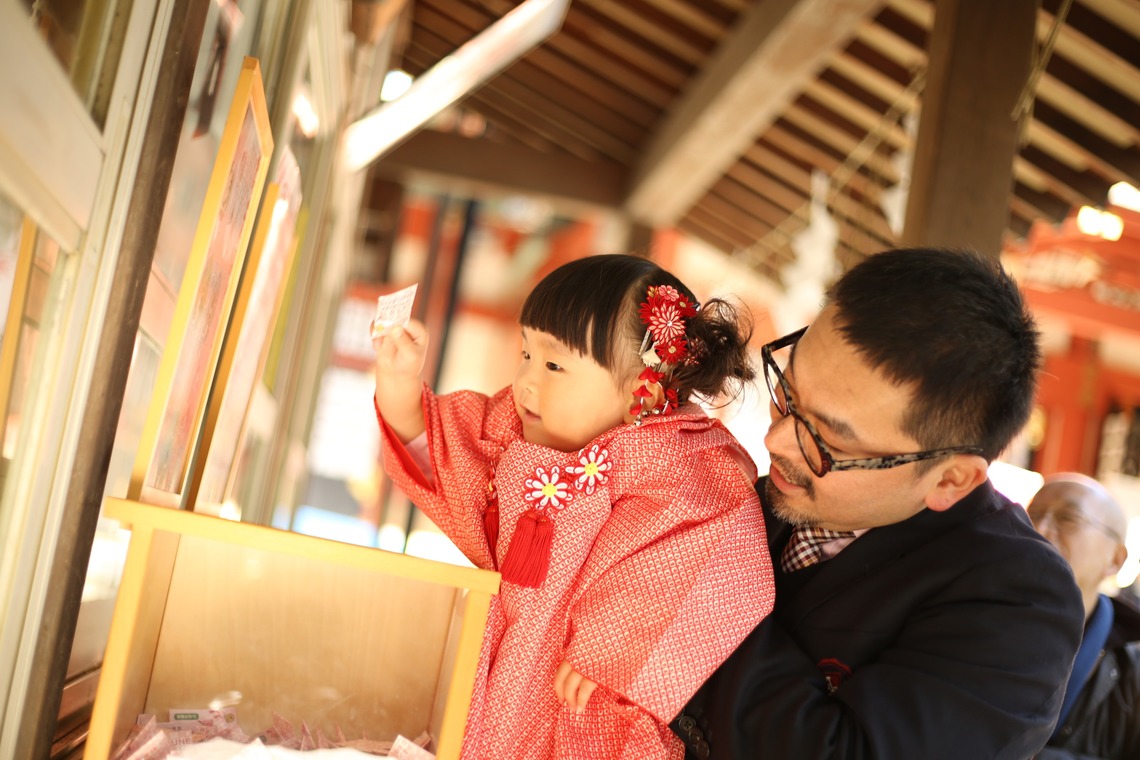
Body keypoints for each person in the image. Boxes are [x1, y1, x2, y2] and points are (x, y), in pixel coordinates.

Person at [673, 247, 1086, 759]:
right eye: (789, 393)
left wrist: (685, 589)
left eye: (830, 441)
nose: (777, 441)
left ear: (951, 479)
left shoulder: (1017, 601)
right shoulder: (748, 497)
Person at [372, 254, 775, 759]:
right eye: (525, 354)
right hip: (501, 664)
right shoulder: (511, 432)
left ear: (640, 389)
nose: (526, 381)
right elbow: (441, 448)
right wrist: (401, 386)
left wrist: (611, 647)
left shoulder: (686, 464)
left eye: (554, 364)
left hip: (585, 699)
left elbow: (716, 563)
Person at [1028, 473, 1140, 759]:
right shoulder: (969, 619)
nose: (1039, 529)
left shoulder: (1132, 665)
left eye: (1068, 518)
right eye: (1032, 515)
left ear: (1116, 559)